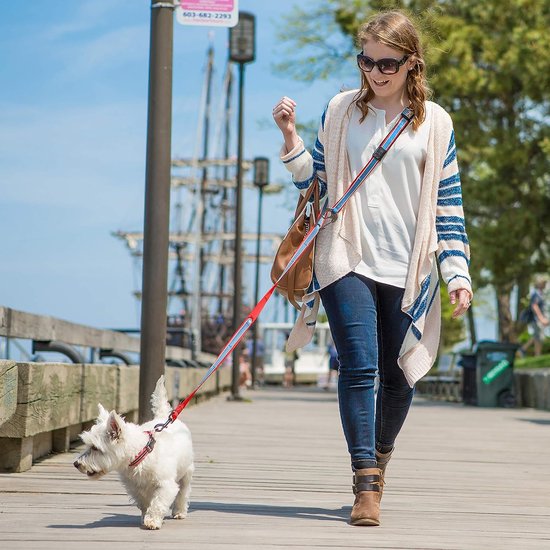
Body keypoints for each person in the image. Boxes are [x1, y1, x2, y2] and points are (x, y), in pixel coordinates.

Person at [272, 10, 472, 527]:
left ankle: (379, 462)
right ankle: (365, 484)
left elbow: (448, 205)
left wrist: (458, 273)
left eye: (388, 62)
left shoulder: (437, 123)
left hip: (408, 265)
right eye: (367, 60)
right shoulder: (341, 111)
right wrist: (291, 139)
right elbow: (314, 186)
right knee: (359, 365)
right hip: (346, 254)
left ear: (412, 64)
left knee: (399, 376)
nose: (376, 71)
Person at [520, 276, 549, 357]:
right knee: (538, 337)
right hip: (536, 320)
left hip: (539, 319)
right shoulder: (536, 294)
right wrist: (541, 318)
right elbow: (534, 306)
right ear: (539, 284)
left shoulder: (541, 294)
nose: (545, 285)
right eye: (543, 283)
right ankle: (537, 354)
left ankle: (523, 349)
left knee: (537, 336)